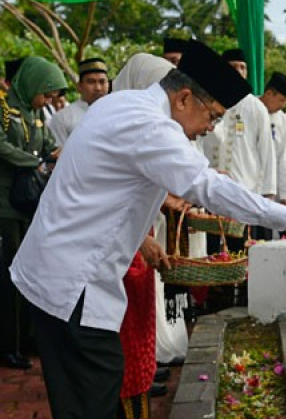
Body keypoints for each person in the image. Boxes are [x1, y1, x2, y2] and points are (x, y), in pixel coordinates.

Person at [10, 40, 286, 418]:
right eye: (213, 117)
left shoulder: (124, 104)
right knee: (92, 394)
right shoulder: (152, 126)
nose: (208, 130)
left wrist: (152, 221)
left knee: (92, 389)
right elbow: (208, 187)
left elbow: (112, 185)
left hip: (57, 270)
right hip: (72, 284)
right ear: (184, 98)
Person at [112, 54, 179, 416]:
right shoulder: (115, 130)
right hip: (117, 255)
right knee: (122, 339)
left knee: (139, 331)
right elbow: (110, 202)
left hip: (139, 246)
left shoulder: (148, 129)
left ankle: (140, 386)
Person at [0, 57, 67, 370]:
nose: (49, 100)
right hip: (6, 205)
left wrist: (58, 152)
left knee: (31, 271)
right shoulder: (3, 108)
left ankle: (28, 338)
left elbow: (49, 144)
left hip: (31, 202)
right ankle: (7, 346)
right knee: (11, 274)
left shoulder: (36, 111)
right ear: (32, 85)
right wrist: (34, 161)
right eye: (47, 93)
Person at [198, 48, 276, 252]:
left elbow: (266, 150)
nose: (239, 71)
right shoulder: (207, 100)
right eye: (234, 67)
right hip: (211, 188)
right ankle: (216, 285)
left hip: (244, 188)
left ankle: (241, 285)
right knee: (212, 248)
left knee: (239, 249)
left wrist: (268, 191)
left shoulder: (256, 107)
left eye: (243, 67)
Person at [48, 58, 110, 146]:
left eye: (102, 82)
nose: (98, 88)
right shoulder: (63, 118)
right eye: (91, 82)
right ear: (79, 86)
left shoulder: (118, 113)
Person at [260, 72, 286, 209]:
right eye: (281, 100)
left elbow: (285, 158)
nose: (283, 105)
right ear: (269, 94)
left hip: (270, 189)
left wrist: (285, 194)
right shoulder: (248, 111)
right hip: (247, 186)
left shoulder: (282, 120)